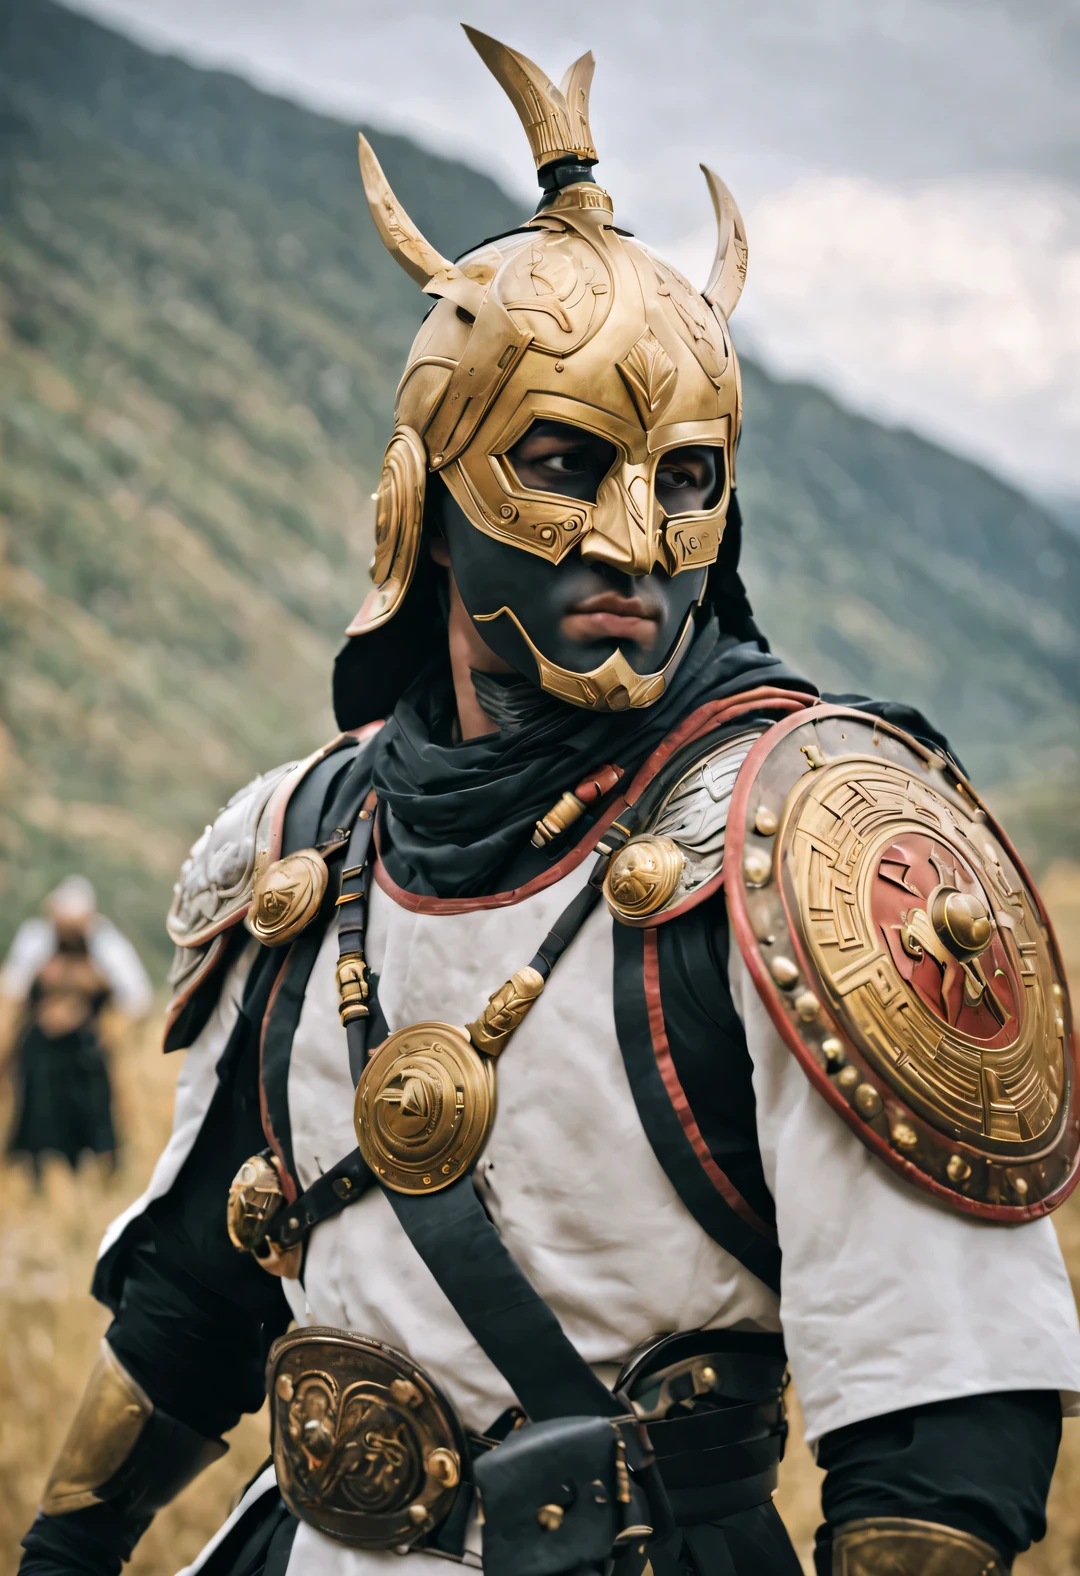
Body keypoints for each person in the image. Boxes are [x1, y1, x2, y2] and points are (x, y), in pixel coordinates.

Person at [19, 28, 1080, 1576]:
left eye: (692, 477)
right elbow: (200, 1296)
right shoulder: (307, 845)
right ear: (425, 500)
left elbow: (943, 1423)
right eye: (565, 465)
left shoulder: (819, 844)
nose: (640, 540)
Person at [2, 876, 151, 1182]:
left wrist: (111, 1033)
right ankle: (41, 1184)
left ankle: (92, 1183)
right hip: (41, 1049)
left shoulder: (106, 945)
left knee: (93, 1118)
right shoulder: (36, 939)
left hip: (85, 1051)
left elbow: (138, 997)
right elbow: (13, 991)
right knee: (38, 1117)